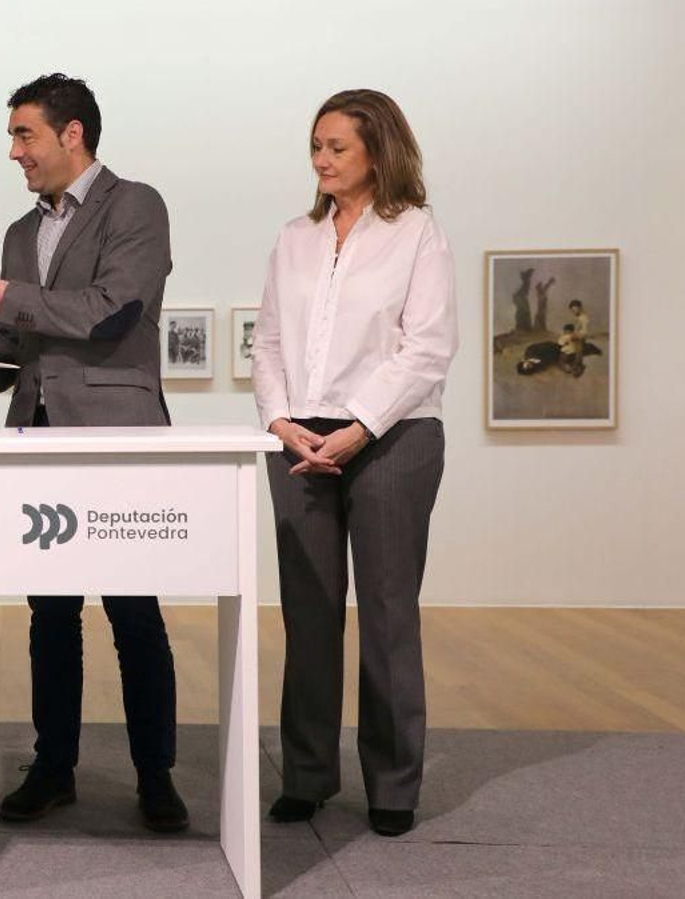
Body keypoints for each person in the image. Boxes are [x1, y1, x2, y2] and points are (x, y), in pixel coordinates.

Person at [0, 73, 188, 832]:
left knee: (135, 611)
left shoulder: (137, 206)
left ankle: (155, 774)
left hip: (116, 440)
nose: (13, 151)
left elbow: (109, 311)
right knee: (50, 612)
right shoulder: (19, 232)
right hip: (37, 439)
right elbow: (19, 343)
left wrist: (8, 298)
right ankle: (54, 766)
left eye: (24, 134)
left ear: (72, 134)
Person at [251, 89, 458, 837]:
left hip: (394, 441)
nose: (321, 159)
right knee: (308, 615)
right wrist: (278, 417)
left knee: (387, 615)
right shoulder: (294, 237)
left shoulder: (416, 234)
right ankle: (306, 774)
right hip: (299, 441)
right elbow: (269, 340)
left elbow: (427, 346)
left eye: (337, 146)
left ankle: (392, 783)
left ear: (379, 150)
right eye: (315, 145)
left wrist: (360, 426)